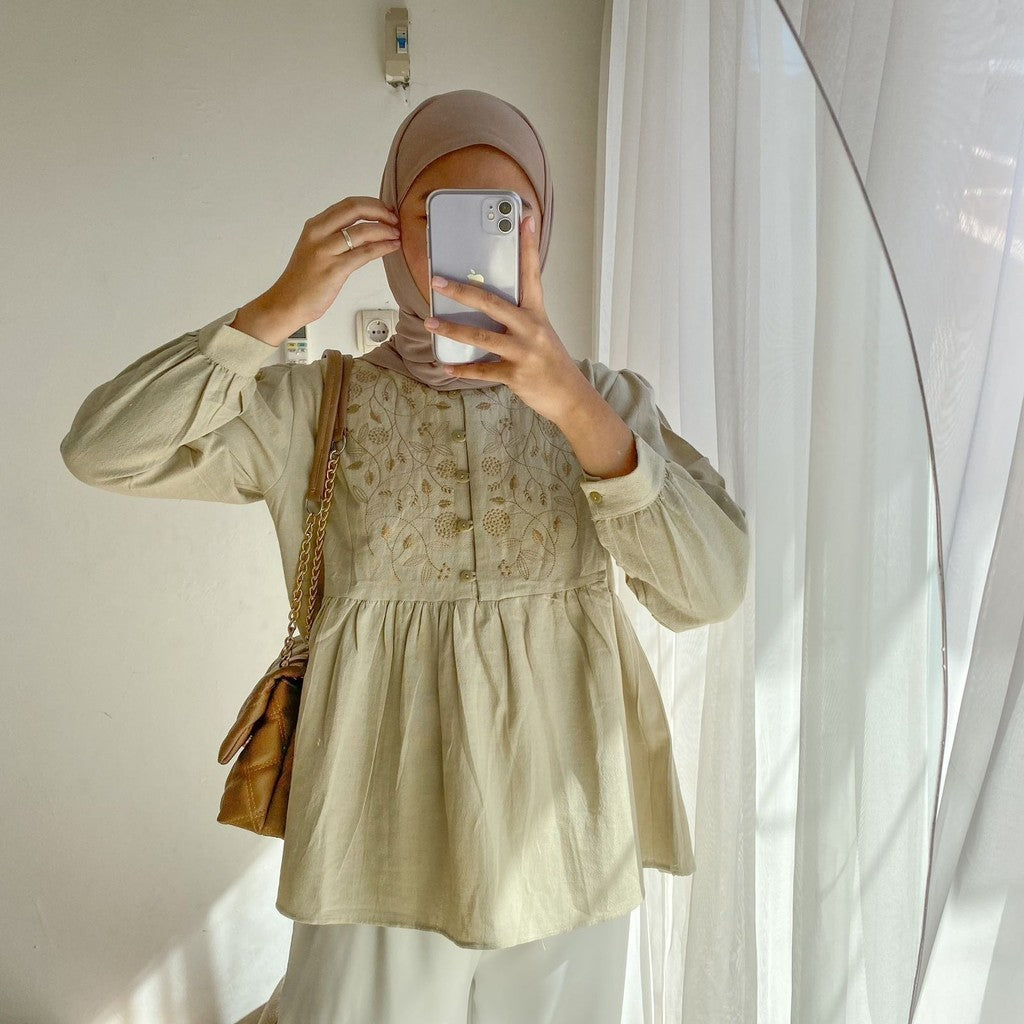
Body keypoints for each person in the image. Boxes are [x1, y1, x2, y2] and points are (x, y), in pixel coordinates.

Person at [60, 89, 749, 1024]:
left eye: (506, 214)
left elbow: (712, 590)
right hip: (372, 841)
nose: (470, 243)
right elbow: (102, 448)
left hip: (573, 838)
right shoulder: (314, 407)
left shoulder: (606, 406)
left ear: (542, 228)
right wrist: (275, 309)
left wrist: (575, 410)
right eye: (436, 213)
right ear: (387, 226)